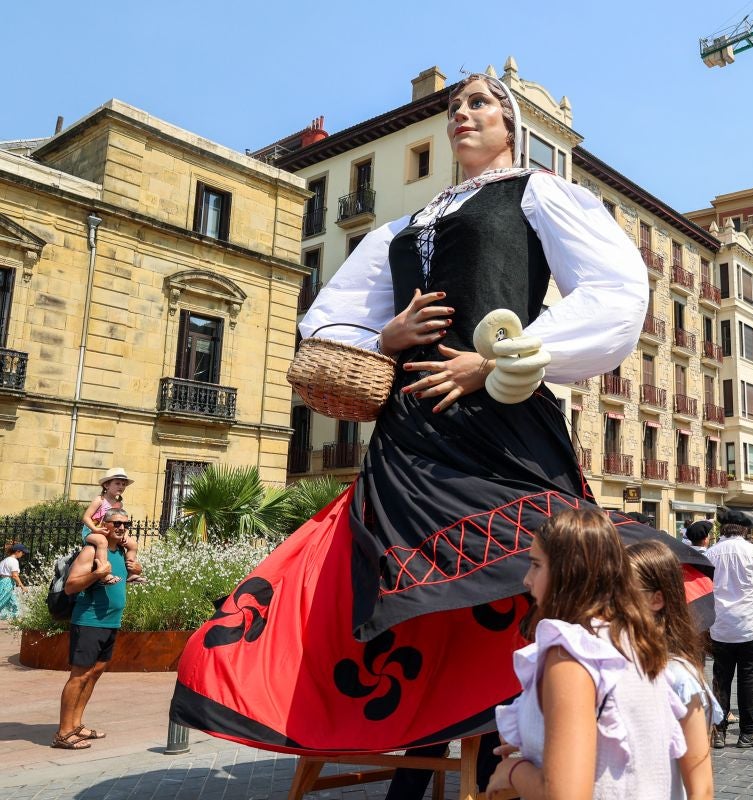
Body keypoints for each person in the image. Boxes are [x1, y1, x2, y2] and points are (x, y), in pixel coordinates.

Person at [172, 73, 714, 764]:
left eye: (480, 102)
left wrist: (495, 363)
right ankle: (425, 744)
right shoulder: (406, 224)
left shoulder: (538, 193)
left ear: (510, 124)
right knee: (412, 582)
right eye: (455, 105)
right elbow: (331, 319)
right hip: (410, 431)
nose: (462, 112)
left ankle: (557, 730)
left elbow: (616, 288)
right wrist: (386, 338)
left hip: (500, 421)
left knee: (549, 563)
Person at [486, 509, 686, 799]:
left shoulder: (571, 654)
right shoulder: (633, 640)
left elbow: (565, 795)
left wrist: (512, 773)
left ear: (569, 573)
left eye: (536, 565)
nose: (527, 580)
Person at [627, 539, 719, 800]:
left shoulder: (677, 676)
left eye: (625, 592)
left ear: (657, 600)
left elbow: (701, 787)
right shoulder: (614, 662)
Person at [54, 508, 130, 750]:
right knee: (79, 676)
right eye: (115, 523)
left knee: (94, 674)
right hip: (89, 622)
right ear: (103, 524)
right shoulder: (91, 551)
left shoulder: (120, 553)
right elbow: (70, 586)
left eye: (125, 524)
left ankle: (76, 725)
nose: (120, 527)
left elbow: (115, 583)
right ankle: (63, 733)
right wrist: (97, 574)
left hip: (110, 623)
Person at [706, 507, 753, 749]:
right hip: (750, 625)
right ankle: (748, 731)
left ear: (722, 528)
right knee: (748, 677)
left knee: (721, 678)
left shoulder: (710, 554)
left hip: (721, 626)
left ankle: (719, 730)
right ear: (745, 529)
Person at [80, 468, 144, 585]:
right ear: (106, 485)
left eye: (123, 484)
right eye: (117, 483)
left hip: (108, 531)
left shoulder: (119, 504)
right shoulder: (100, 500)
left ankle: (131, 573)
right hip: (91, 532)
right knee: (102, 542)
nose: (121, 486)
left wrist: (124, 534)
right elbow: (86, 518)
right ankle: (104, 574)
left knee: (133, 544)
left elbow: (119, 522)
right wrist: (95, 529)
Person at [0, 542, 28, 620]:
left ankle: (16, 622)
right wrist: (22, 587)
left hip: (3, 581)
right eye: (22, 552)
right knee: (1, 601)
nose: (23, 554)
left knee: (14, 605)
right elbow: (15, 575)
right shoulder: (13, 561)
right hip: (7, 583)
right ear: (17, 551)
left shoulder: (5, 560)